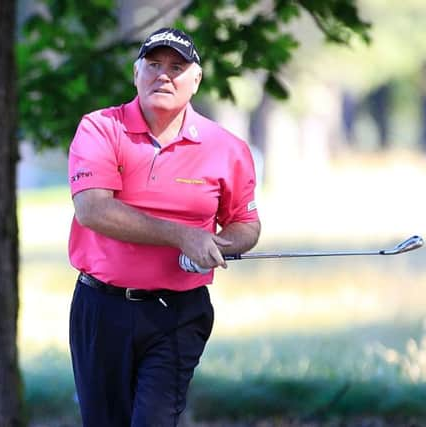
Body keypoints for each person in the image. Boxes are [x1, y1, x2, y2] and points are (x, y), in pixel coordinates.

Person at [67, 27, 261, 427]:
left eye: (177, 67)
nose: (164, 75)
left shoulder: (226, 148)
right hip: (102, 307)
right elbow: (93, 211)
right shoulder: (100, 128)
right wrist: (183, 236)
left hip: (178, 312)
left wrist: (218, 244)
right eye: (153, 65)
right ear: (136, 73)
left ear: (196, 80)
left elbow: (246, 224)